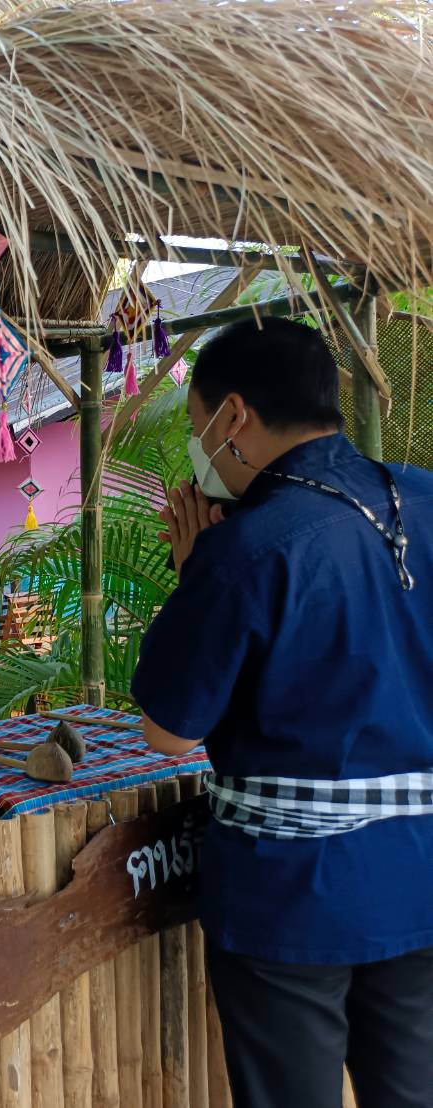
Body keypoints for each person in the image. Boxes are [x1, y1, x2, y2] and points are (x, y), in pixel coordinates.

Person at [130, 317, 433, 1108]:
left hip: (296, 896)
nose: (199, 451)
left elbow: (169, 732)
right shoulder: (425, 499)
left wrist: (195, 575)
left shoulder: (248, 547)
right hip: (421, 874)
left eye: (196, 428)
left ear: (233, 416)